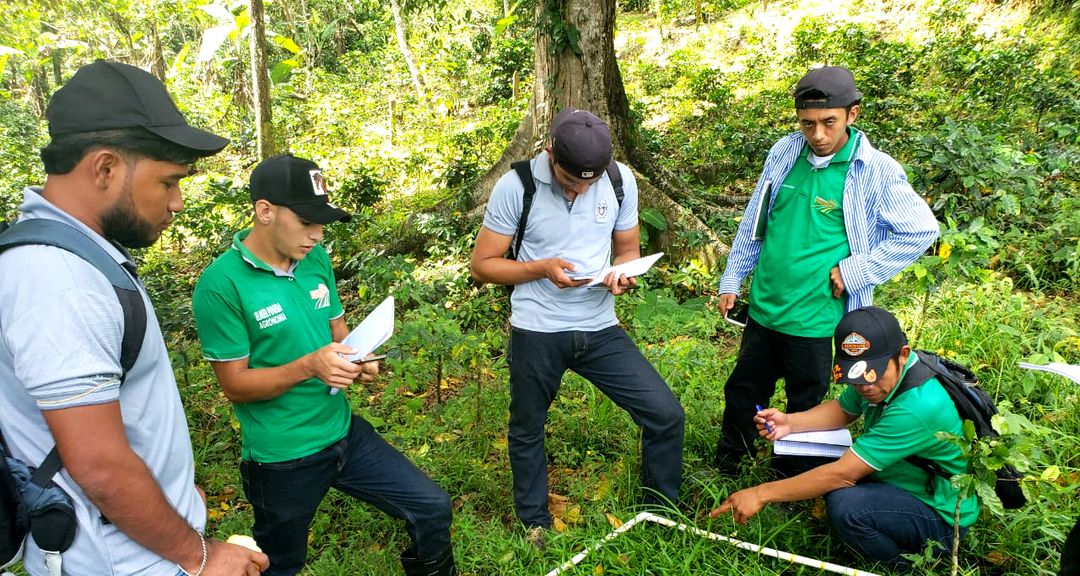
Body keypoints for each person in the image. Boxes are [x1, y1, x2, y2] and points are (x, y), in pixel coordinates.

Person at [0, 60, 269, 575]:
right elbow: (99, 465)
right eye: (168, 182)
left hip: (139, 547)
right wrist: (200, 555)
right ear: (105, 168)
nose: (177, 202)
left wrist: (172, 483)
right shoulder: (60, 282)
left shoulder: (72, 257)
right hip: (123, 560)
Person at [191, 154, 455, 576]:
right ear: (265, 211)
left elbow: (338, 335)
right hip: (282, 458)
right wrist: (310, 366)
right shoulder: (221, 285)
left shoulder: (315, 260)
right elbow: (236, 386)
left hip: (343, 432)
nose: (317, 234)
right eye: (307, 221)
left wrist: (358, 357)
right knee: (281, 564)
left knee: (431, 506)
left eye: (322, 223)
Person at [470, 108, 685, 541]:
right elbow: (482, 266)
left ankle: (660, 513)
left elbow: (627, 248)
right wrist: (541, 268)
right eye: (573, 182)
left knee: (665, 414)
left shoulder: (620, 180)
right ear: (550, 153)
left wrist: (624, 273)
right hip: (537, 329)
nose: (583, 189)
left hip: (599, 325)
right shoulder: (518, 187)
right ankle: (535, 523)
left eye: (591, 181)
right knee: (527, 426)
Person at [713, 66, 939, 477]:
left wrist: (859, 270)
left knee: (807, 402)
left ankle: (790, 482)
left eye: (828, 122)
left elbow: (921, 229)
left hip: (817, 319)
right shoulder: (784, 153)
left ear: (852, 115)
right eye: (808, 124)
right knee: (744, 391)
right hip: (766, 307)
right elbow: (756, 221)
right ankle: (729, 465)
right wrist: (733, 277)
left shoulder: (874, 170)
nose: (817, 134)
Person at [710, 306, 979, 568]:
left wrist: (760, 494)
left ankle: (901, 566)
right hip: (900, 480)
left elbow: (843, 475)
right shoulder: (883, 373)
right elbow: (843, 410)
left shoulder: (918, 407)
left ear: (902, 355)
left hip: (939, 515)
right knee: (818, 460)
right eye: (857, 380)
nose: (866, 387)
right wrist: (789, 422)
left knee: (847, 507)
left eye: (872, 377)